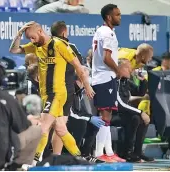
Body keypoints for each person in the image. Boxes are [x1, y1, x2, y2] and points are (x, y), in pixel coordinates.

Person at [9, 21, 95, 164]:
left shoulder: (59, 44)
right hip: (46, 94)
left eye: (33, 37)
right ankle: (81, 161)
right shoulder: (36, 46)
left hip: (56, 93)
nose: (31, 41)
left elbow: (79, 67)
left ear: (41, 31)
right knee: (61, 129)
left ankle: (31, 161)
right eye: (29, 38)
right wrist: (18, 34)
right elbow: (14, 50)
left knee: (43, 126)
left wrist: (87, 85)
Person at [91, 4, 127, 162]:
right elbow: (106, 58)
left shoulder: (102, 31)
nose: (120, 17)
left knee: (107, 116)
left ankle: (109, 153)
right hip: (105, 78)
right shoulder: (107, 33)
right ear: (108, 17)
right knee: (105, 115)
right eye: (117, 14)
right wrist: (118, 70)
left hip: (103, 77)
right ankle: (99, 154)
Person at [49, 20, 83, 155]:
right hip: (65, 90)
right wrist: (80, 85)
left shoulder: (44, 46)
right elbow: (80, 68)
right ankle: (54, 158)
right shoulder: (70, 46)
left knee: (55, 125)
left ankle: (53, 158)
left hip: (49, 90)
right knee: (59, 126)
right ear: (64, 32)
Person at [111, 59, 153, 162]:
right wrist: (140, 112)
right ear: (119, 68)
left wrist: (142, 80)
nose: (131, 70)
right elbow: (120, 105)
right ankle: (127, 153)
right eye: (127, 67)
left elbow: (140, 92)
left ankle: (137, 152)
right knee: (136, 118)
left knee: (141, 118)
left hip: (124, 114)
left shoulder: (125, 81)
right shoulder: (113, 81)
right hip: (112, 115)